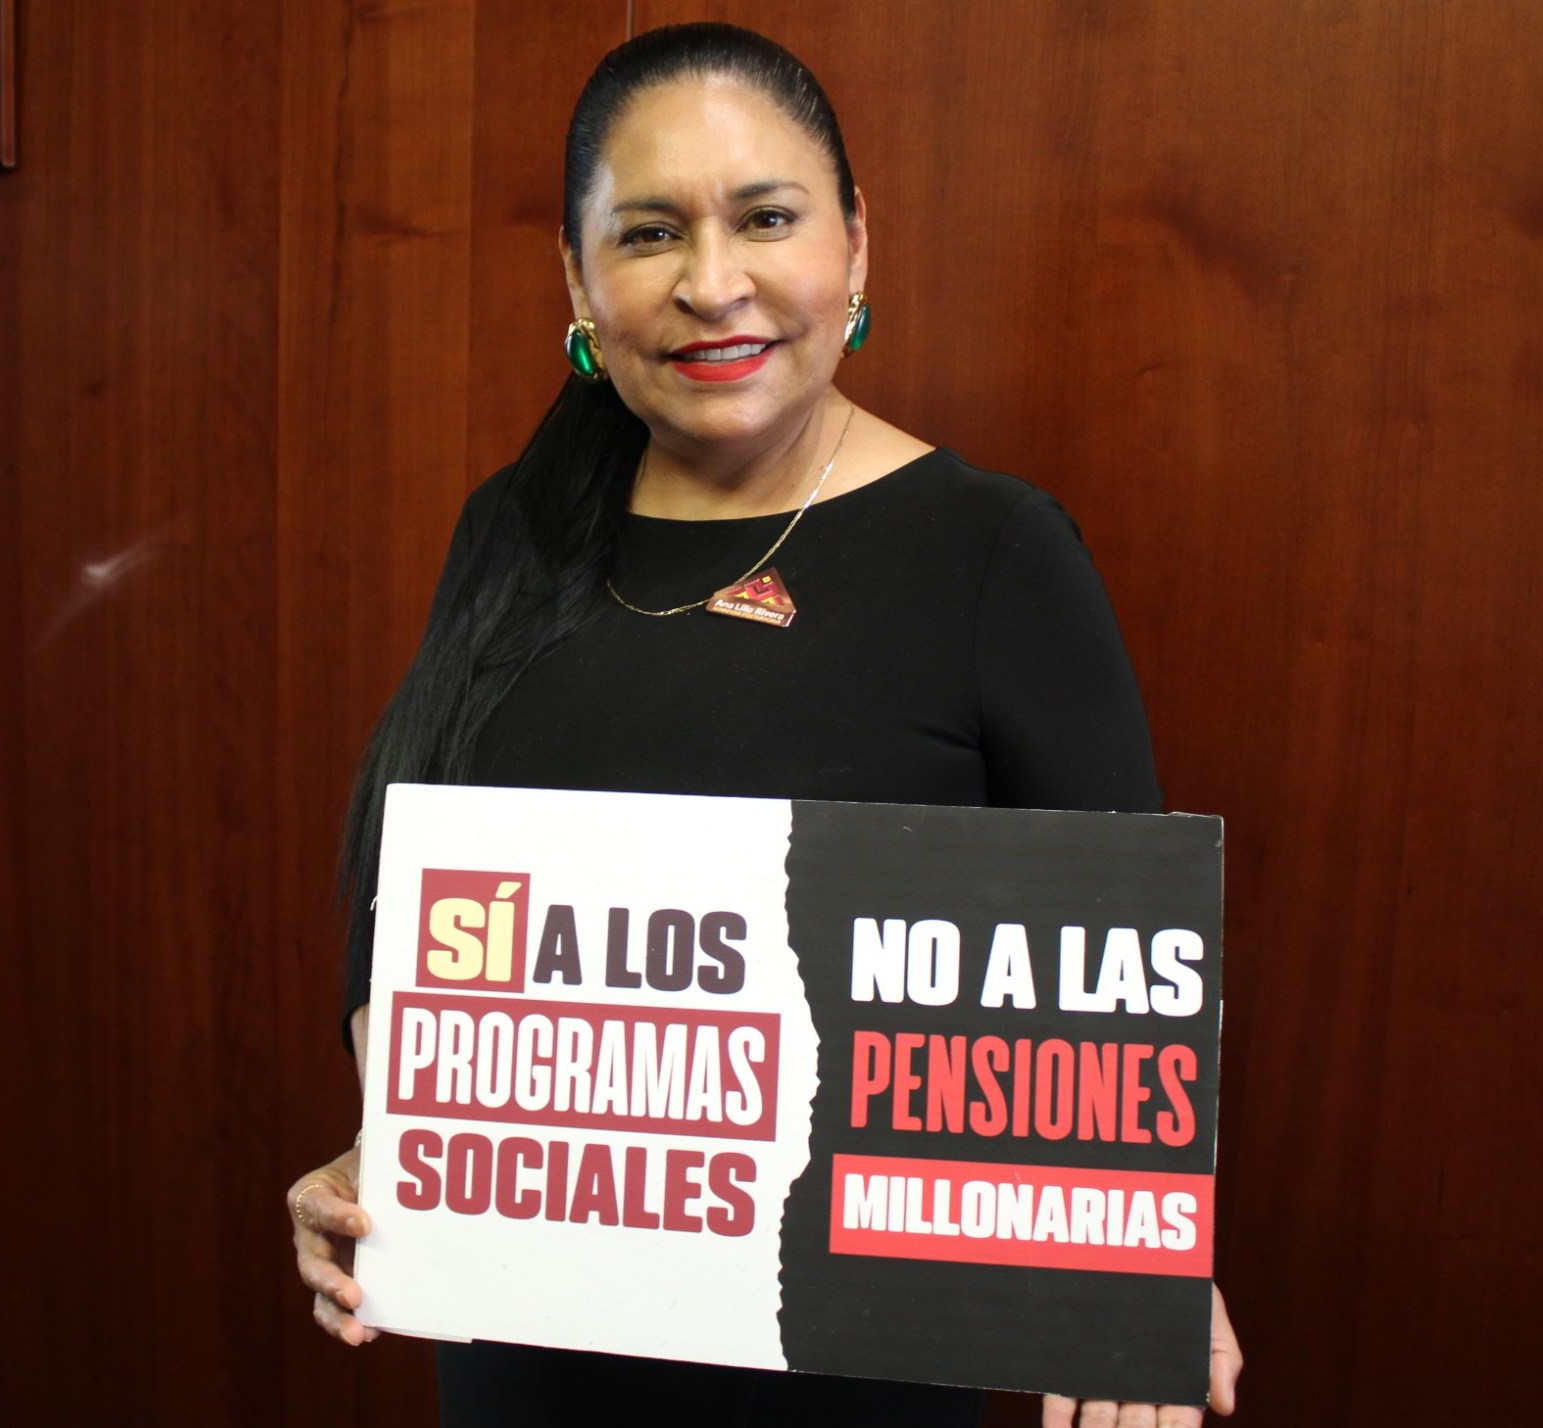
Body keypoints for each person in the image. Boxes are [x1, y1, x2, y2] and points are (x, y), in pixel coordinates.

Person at [287, 22, 1242, 1428]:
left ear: (855, 243)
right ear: (578, 278)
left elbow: (1114, 987)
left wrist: (1136, 1260)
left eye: (767, 218)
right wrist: (387, 1156)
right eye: (650, 233)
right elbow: (409, 925)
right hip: (527, 1364)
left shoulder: (995, 555)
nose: (712, 282)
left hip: (848, 1375)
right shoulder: (509, 531)